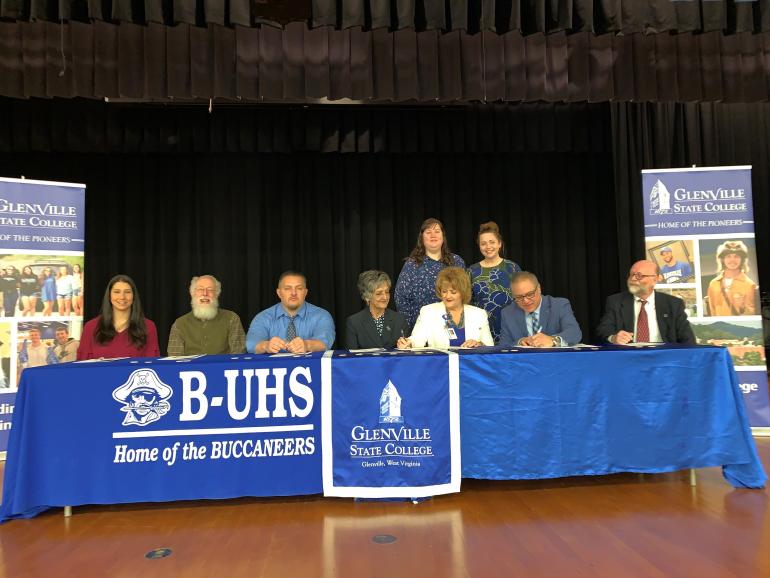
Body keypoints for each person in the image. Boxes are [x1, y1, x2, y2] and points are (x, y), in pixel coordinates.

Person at [596, 260, 695, 344]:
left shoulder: (673, 304)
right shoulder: (615, 301)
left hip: (664, 359)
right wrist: (613, 338)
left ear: (655, 279)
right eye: (631, 275)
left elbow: (687, 339)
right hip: (629, 358)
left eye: (639, 275)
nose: (633, 279)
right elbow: (603, 330)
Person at [394, 218, 466, 330]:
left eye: (437, 231)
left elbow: (465, 293)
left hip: (455, 327)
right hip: (421, 328)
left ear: (443, 236)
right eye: (428, 232)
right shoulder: (412, 264)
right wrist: (409, 328)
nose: (433, 235)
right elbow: (401, 297)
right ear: (422, 237)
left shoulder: (456, 262)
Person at [397, 267, 493, 349]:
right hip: (440, 367)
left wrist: (478, 344)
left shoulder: (479, 314)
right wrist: (408, 342)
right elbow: (417, 338)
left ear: (463, 292)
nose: (448, 296)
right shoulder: (428, 312)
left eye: (453, 292)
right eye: (444, 291)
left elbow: (489, 346)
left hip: (470, 367)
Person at [246, 271, 335, 354]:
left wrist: (307, 345)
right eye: (287, 288)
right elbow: (251, 344)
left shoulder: (322, 316)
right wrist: (266, 346)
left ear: (305, 292)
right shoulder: (263, 318)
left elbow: (325, 342)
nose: (293, 293)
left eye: (299, 288)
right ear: (279, 293)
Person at [76, 274, 160, 359]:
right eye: (116, 292)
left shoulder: (148, 327)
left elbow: (152, 366)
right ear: (109, 295)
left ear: (134, 296)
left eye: (127, 292)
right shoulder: (91, 327)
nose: (122, 297)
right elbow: (81, 366)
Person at [468, 221, 522, 343]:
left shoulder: (512, 268)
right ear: (479, 246)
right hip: (481, 333)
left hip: (511, 330)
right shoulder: (471, 271)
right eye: (483, 243)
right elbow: (468, 304)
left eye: (492, 242)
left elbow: (523, 299)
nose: (488, 247)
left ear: (499, 244)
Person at [167, 275, 246, 356]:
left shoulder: (231, 318)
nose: (205, 294)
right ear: (192, 293)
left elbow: (238, 355)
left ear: (217, 294)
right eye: (200, 289)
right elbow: (174, 360)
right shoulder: (179, 324)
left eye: (210, 290)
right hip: (190, 368)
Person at [499, 271, 582, 347]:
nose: (526, 301)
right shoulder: (507, 313)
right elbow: (503, 344)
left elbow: (574, 332)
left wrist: (553, 340)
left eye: (530, 294)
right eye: (519, 297)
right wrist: (520, 342)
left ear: (539, 289)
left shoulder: (559, 305)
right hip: (522, 362)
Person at [345, 270, 408, 349]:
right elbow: (351, 357)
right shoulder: (354, 322)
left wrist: (405, 347)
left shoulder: (399, 320)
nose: (385, 297)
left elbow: (405, 355)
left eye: (387, 292)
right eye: (379, 293)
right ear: (367, 297)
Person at [706, 240, 759, 316]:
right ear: (722, 260)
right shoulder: (713, 284)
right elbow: (712, 311)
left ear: (742, 260)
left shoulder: (749, 285)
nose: (732, 260)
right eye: (728, 256)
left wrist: (742, 307)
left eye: (736, 256)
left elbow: (753, 314)